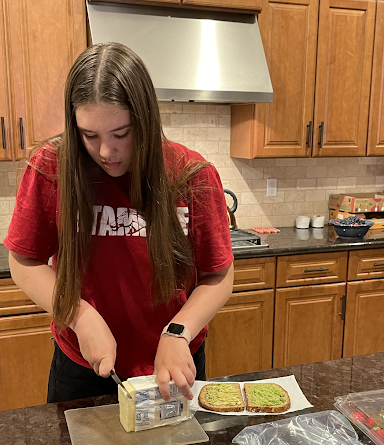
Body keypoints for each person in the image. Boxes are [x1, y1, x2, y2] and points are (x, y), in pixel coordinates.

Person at [4, 42, 234, 403]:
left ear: (145, 118)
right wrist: (79, 316)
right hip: (83, 369)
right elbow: (23, 262)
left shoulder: (192, 174)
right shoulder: (51, 167)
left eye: (121, 134)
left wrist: (177, 333)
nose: (107, 152)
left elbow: (219, 276)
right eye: (89, 136)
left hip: (172, 367)